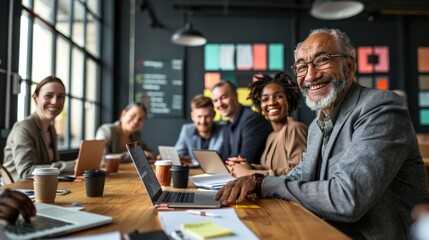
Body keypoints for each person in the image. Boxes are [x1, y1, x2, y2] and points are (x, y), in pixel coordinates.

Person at [215, 28, 429, 239]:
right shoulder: (318, 125)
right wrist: (254, 179)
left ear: (349, 65)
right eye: (301, 67)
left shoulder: (380, 107)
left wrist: (263, 183)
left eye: (322, 60)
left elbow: (347, 198)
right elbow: (300, 175)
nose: (310, 75)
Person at [226, 72, 307, 177]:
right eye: (265, 99)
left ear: (289, 101)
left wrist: (249, 173)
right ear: (260, 106)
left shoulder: (295, 129)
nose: (271, 102)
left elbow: (299, 174)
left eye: (278, 96)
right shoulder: (271, 136)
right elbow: (270, 169)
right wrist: (247, 166)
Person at [3, 76, 75, 182]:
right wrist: (72, 165)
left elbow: (51, 168)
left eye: (61, 96)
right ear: (35, 98)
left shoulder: (51, 129)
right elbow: (26, 172)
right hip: (18, 193)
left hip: (41, 190)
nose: (55, 101)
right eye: (48, 96)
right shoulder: (23, 128)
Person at [211, 81, 272, 164]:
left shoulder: (253, 120)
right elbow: (225, 157)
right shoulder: (228, 124)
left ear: (235, 95)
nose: (220, 104)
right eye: (215, 100)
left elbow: (246, 160)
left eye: (224, 97)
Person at [174, 95, 224, 165]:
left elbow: (216, 158)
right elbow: (178, 153)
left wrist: (191, 161)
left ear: (214, 115)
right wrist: (179, 157)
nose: (203, 121)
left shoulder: (223, 131)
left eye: (207, 116)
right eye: (199, 116)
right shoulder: (186, 130)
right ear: (192, 116)